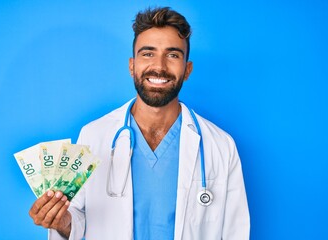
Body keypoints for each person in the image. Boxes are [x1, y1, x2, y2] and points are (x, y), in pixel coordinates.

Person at [29, 6, 250, 240]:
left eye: (173, 55)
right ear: (132, 65)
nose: (159, 66)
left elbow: (236, 232)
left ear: (187, 70)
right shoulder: (94, 135)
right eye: (148, 53)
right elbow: (78, 217)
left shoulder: (221, 146)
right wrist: (62, 221)